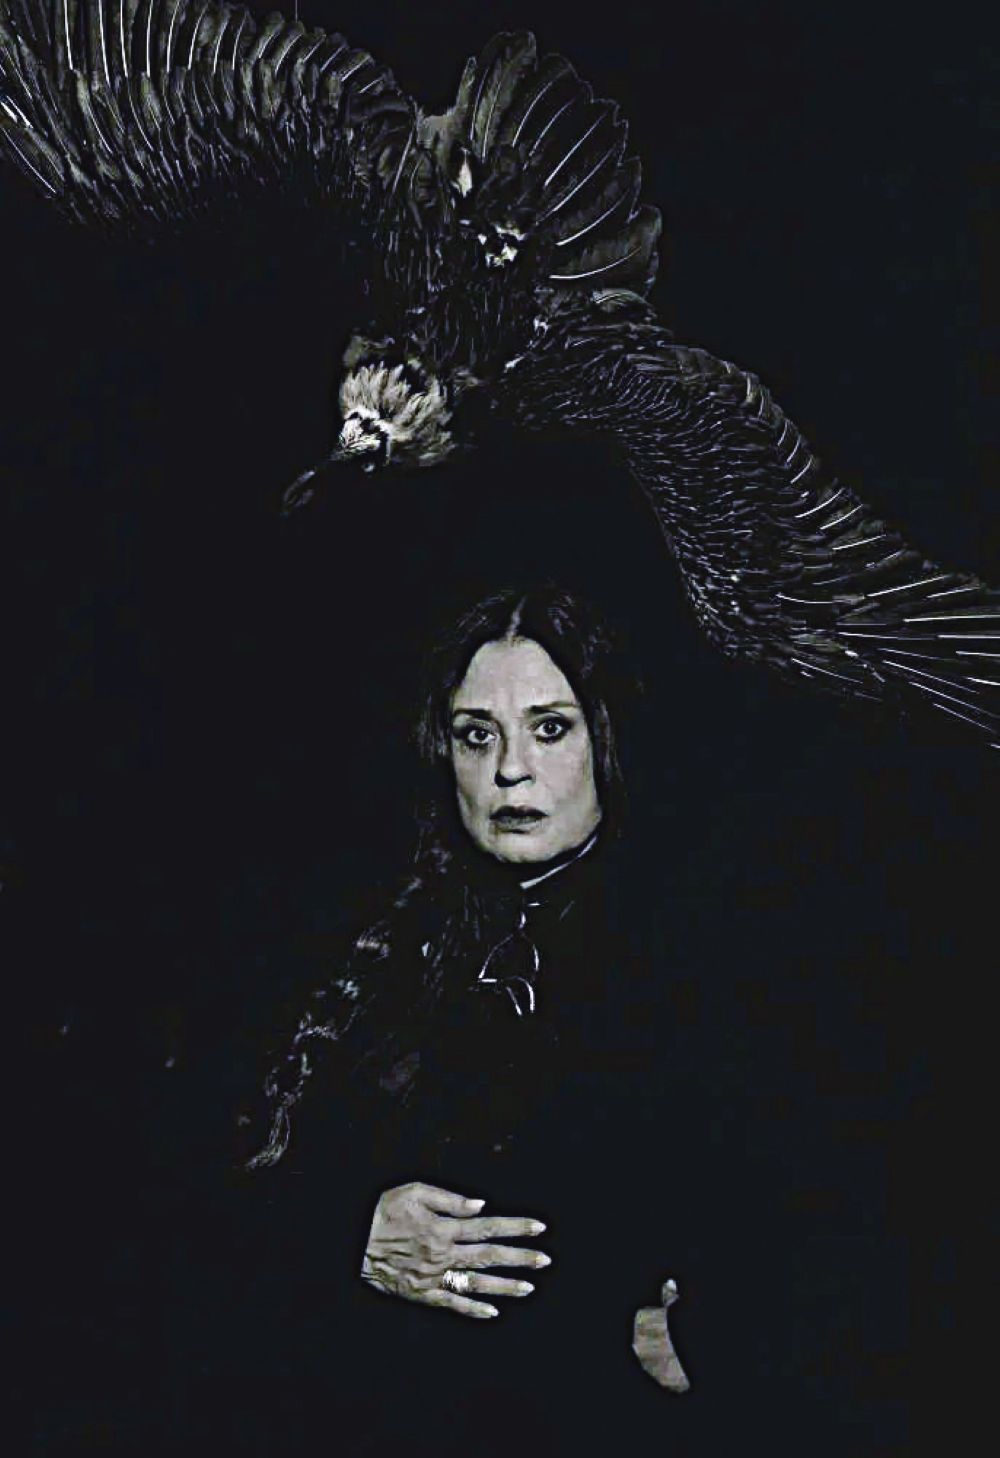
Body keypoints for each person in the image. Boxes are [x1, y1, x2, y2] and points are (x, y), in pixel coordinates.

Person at [179, 584, 910, 1457]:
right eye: (476, 735)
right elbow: (195, 1186)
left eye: (550, 728)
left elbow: (852, 1200)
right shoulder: (364, 933)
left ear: (608, 737)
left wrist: (718, 1341)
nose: (509, 771)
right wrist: (342, 1234)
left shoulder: (716, 944)